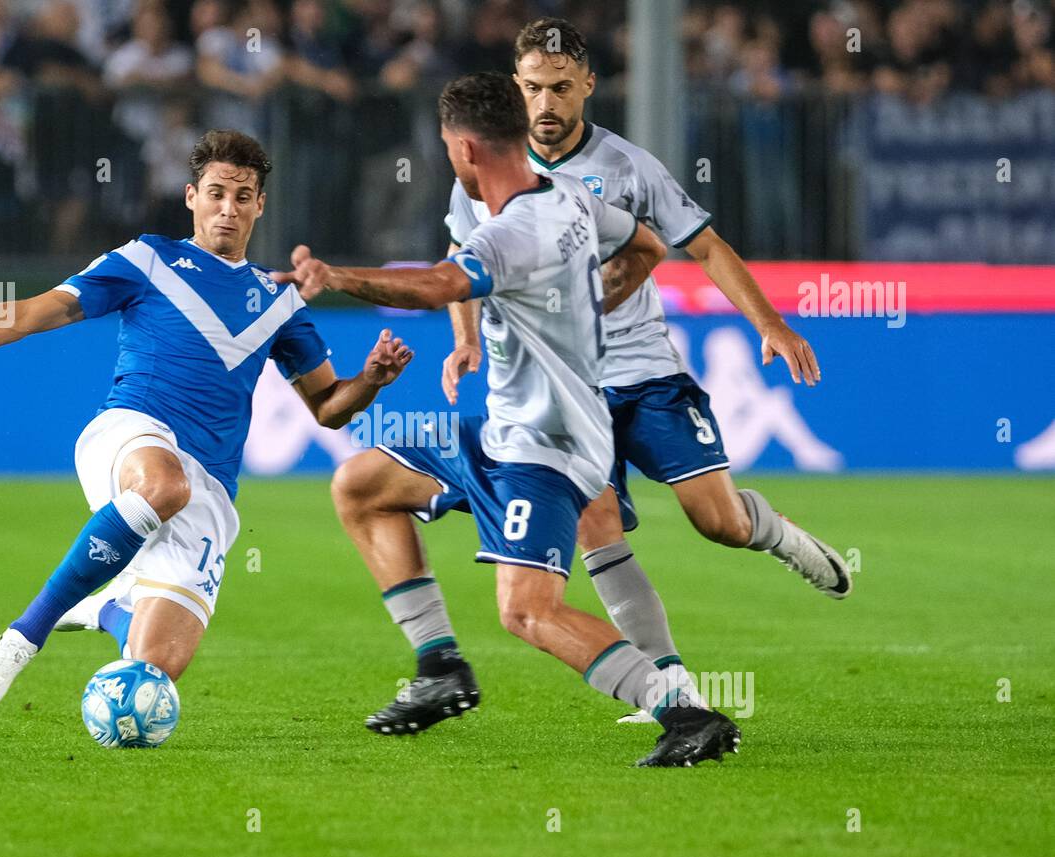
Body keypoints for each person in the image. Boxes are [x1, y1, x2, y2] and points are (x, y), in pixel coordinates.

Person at [0, 129, 414, 713]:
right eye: (217, 193)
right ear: (191, 196)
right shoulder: (147, 260)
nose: (228, 208)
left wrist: (370, 379)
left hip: (212, 485)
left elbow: (327, 408)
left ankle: (104, 606)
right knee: (163, 484)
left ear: (260, 205)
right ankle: (25, 634)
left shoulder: (280, 302)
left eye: (243, 196)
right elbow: (27, 315)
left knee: (153, 671)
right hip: (132, 435)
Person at [276, 72, 741, 768]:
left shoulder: (513, 233)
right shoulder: (571, 203)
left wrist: (335, 278)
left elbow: (439, 286)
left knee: (526, 611)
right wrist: (588, 313)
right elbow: (647, 244)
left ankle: (686, 714)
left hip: (547, 449)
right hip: (505, 432)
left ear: (464, 149)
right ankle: (440, 669)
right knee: (360, 487)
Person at [445, 18, 852, 724]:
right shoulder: (483, 175)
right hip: (564, 394)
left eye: (562, 89)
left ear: (588, 86)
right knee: (598, 526)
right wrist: (465, 339)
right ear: (517, 86)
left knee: (717, 522)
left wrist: (771, 324)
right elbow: (460, 266)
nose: (547, 104)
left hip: (644, 373)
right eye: (535, 88)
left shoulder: (629, 167)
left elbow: (706, 247)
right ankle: (672, 689)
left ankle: (779, 534)